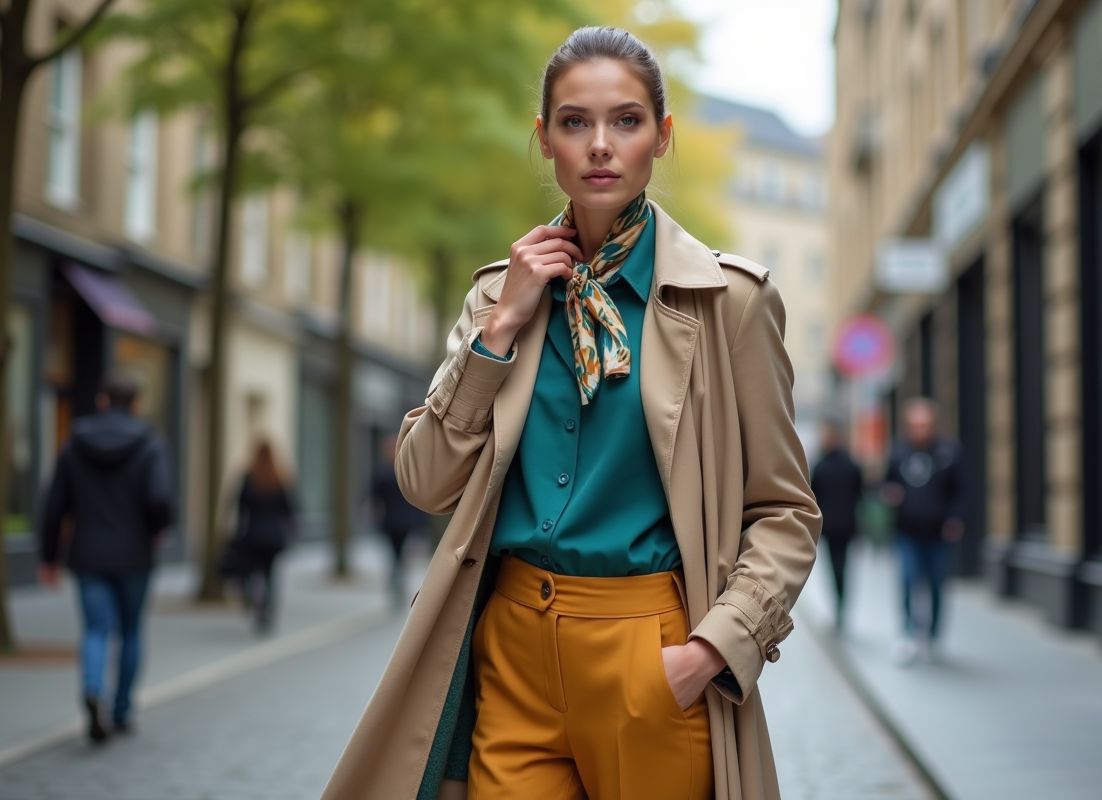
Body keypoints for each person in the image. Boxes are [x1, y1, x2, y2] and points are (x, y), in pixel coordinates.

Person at [321, 27, 821, 800]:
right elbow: (423, 480)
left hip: (650, 651)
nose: (599, 145)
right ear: (545, 140)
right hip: (512, 649)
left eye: (626, 121)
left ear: (662, 137)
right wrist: (497, 334)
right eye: (574, 122)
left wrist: (711, 651)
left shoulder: (732, 304)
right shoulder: (500, 294)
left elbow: (785, 511)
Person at [38, 370, 174, 743]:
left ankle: (93, 687)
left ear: (101, 401)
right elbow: (160, 498)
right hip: (134, 554)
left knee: (96, 629)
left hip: (88, 554)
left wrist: (48, 556)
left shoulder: (74, 442)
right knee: (130, 631)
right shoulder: (150, 443)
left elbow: (54, 504)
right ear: (136, 405)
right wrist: (158, 528)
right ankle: (121, 708)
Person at [881, 398, 967, 665]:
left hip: (938, 533)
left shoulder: (949, 452)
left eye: (925, 424)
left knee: (937, 584)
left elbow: (962, 490)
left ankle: (933, 636)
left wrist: (956, 518)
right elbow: (885, 483)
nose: (920, 429)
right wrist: (888, 495)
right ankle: (907, 635)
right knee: (907, 580)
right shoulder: (898, 452)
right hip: (907, 531)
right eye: (915, 425)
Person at [231, 440, 295, 634]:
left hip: (253, 534)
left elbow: (241, 506)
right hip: (274, 536)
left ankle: (256, 604)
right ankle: (268, 610)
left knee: (253, 573)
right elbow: (289, 509)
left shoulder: (249, 477)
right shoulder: (279, 477)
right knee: (270, 575)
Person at [810, 421, 864, 631]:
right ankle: (839, 605)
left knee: (840, 568)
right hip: (836, 527)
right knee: (838, 568)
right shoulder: (829, 464)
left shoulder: (831, 464)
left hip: (840, 526)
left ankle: (841, 605)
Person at [371, 435, 428, 601]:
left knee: (398, 553)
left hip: (400, 521)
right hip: (394, 521)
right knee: (396, 553)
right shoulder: (394, 471)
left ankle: (397, 580)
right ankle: (397, 580)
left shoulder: (394, 470)